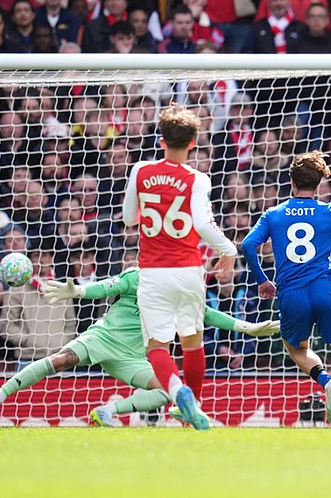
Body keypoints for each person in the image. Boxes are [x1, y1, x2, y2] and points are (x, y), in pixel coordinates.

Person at [0, 267, 279, 426]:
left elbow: (211, 316)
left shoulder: (182, 296)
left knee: (168, 391)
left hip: (132, 357)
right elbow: (105, 287)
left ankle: (108, 411)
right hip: (103, 338)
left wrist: (250, 328)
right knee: (61, 360)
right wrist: (79, 290)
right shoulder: (138, 277)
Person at [241, 151, 331, 428]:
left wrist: (261, 279)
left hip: (291, 292)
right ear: (319, 185)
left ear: (291, 182)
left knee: (297, 350)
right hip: (324, 288)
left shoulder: (273, 214)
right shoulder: (330, 211)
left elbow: (248, 245)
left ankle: (326, 381)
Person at [121, 104, 238, 430]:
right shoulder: (198, 179)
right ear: (192, 143)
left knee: (158, 346)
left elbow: (129, 219)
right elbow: (203, 223)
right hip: (189, 270)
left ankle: (178, 393)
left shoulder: (140, 171)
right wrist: (227, 248)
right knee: (192, 340)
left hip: (153, 271)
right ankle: (193, 408)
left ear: (161, 140)